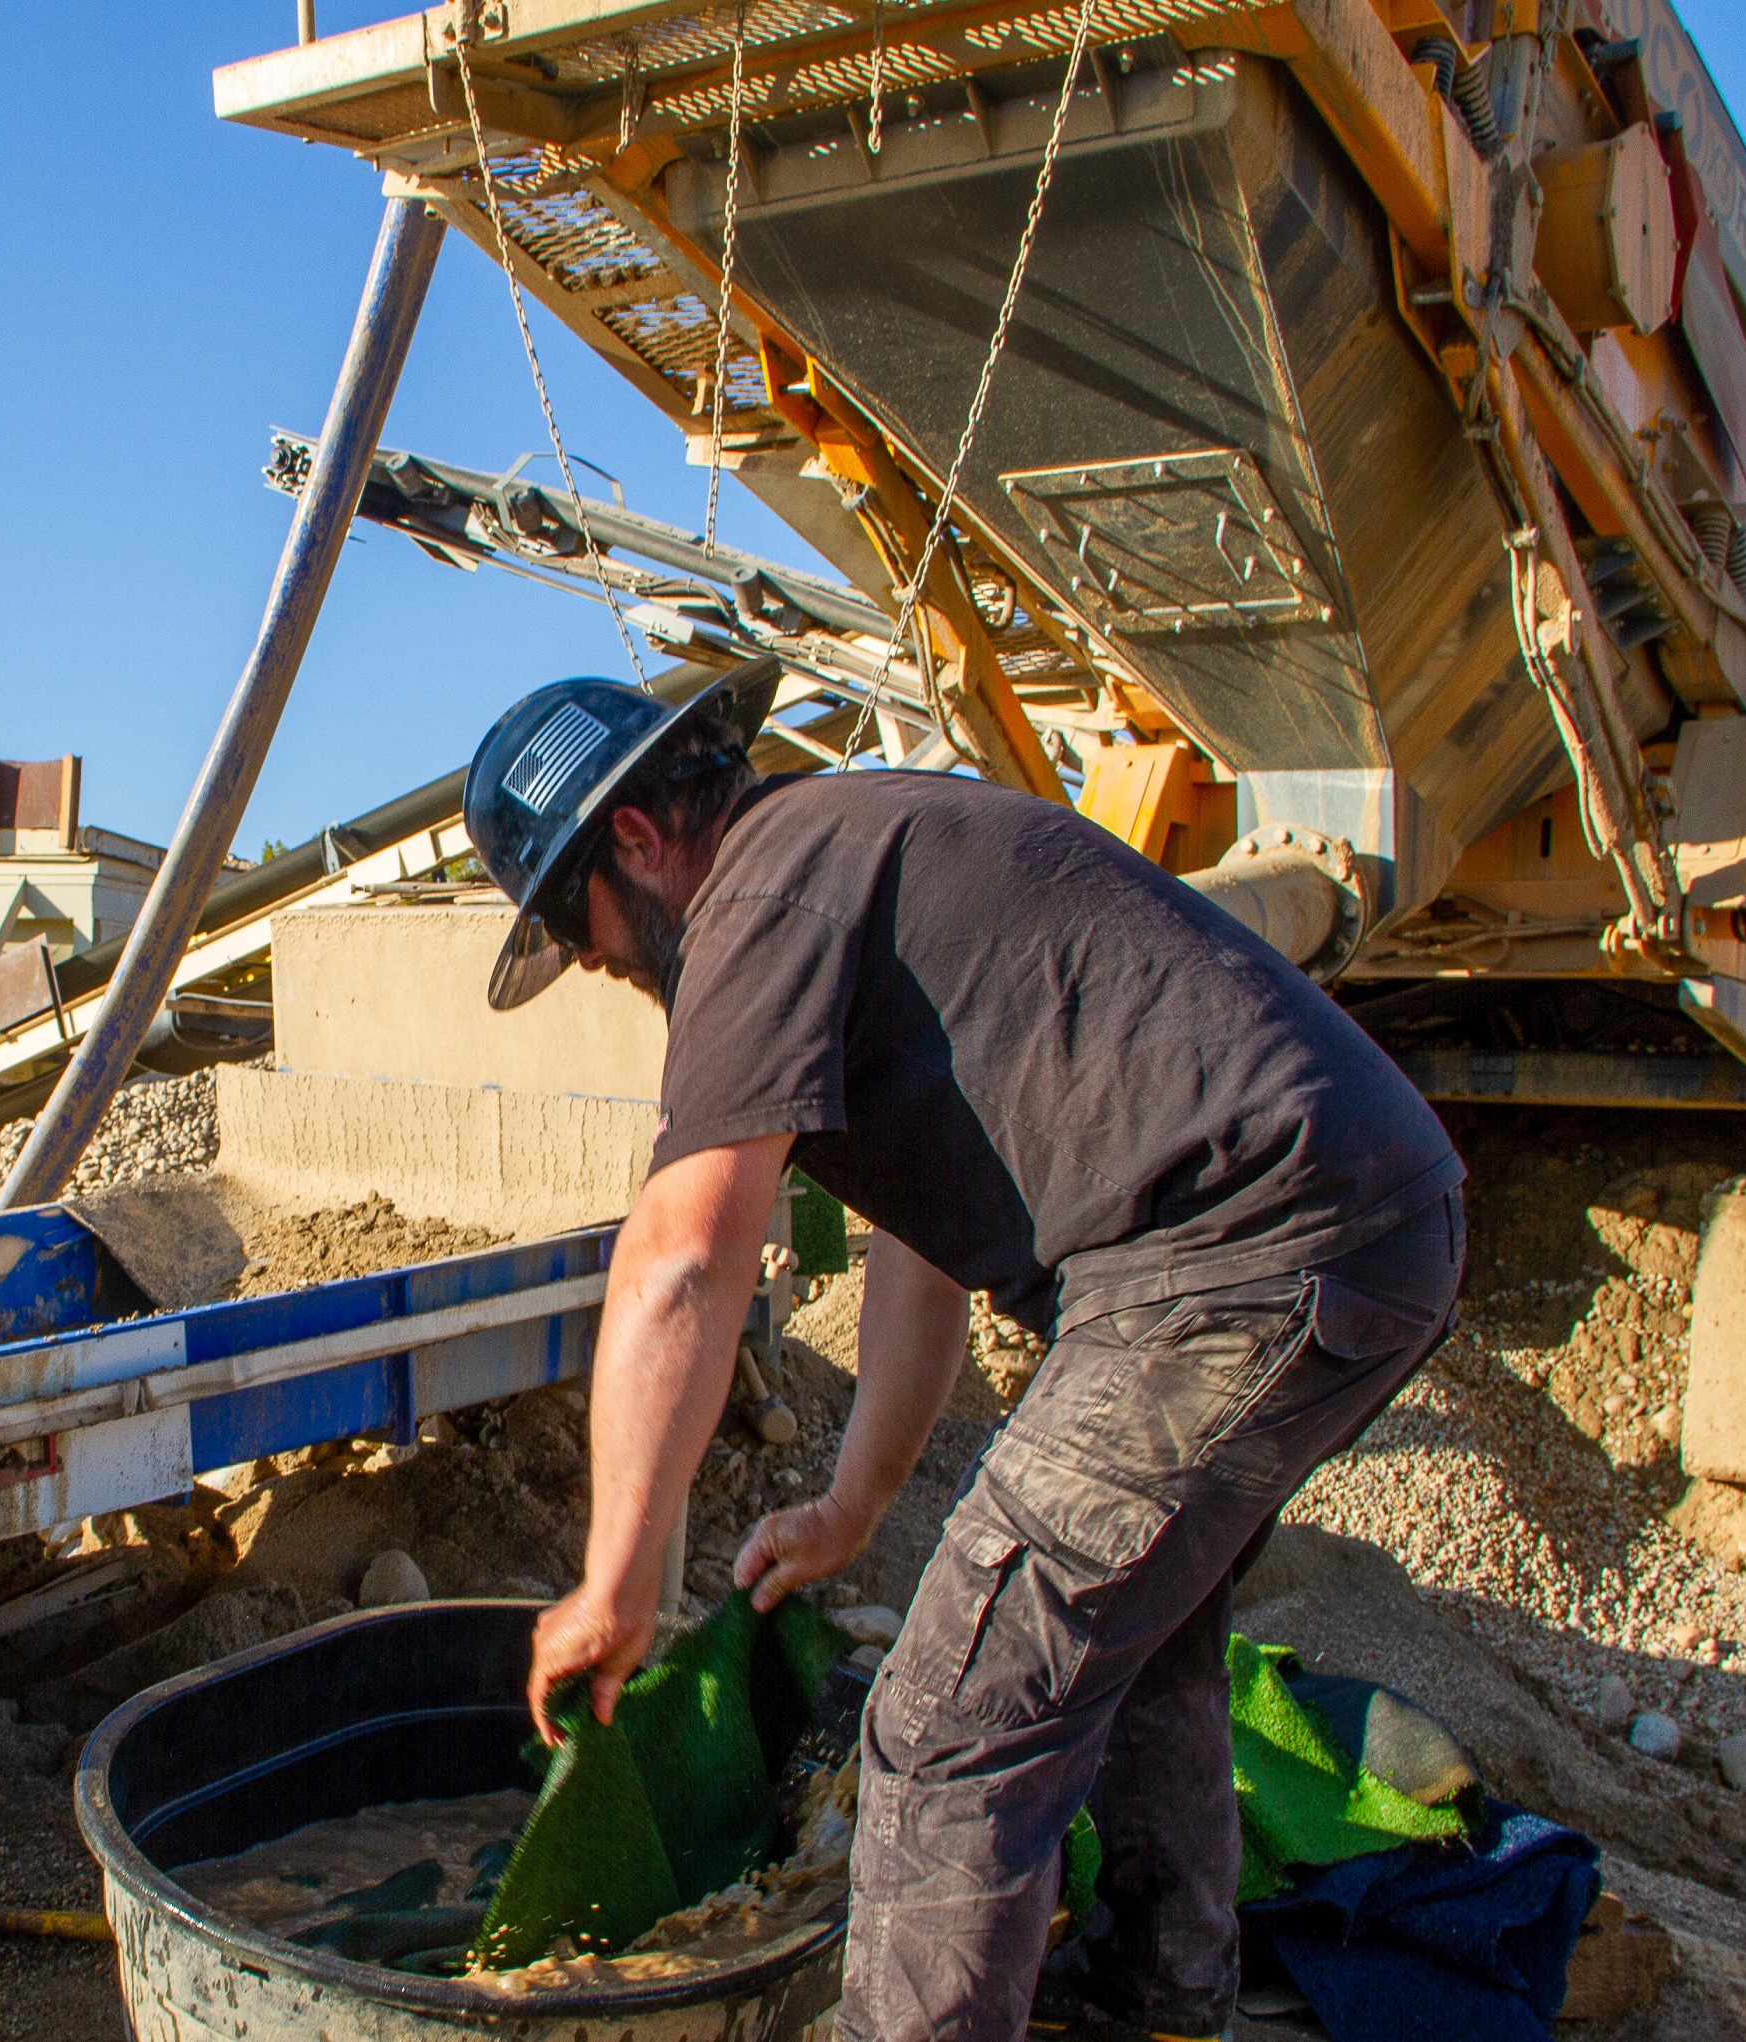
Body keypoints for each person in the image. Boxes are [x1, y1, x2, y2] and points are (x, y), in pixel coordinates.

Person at [470, 678, 1464, 2041]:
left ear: (635, 838)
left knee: (944, 1726)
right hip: (1352, 1221)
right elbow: (920, 1252)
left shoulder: (757, 898)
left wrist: (613, 1581)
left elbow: (680, 1258)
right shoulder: (857, 853)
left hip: (1227, 1249)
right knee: (1135, 1638)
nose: (594, 962)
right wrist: (852, 1506)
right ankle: (1157, 1998)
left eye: (571, 922)